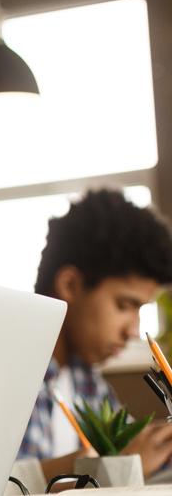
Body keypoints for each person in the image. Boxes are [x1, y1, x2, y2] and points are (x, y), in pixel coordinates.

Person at [15, 189, 172, 482]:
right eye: (124, 305)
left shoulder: (88, 382)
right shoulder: (13, 377)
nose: (133, 330)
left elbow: (135, 456)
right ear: (70, 284)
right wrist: (117, 465)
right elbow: (0, 486)